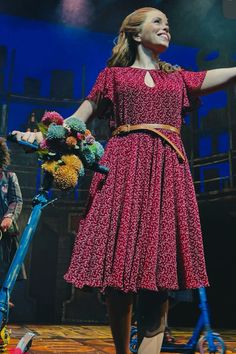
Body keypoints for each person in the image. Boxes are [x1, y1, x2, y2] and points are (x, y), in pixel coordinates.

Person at [14, 7, 236, 354]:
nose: (167, 27)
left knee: (159, 278)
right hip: (123, 170)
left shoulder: (177, 78)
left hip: (167, 174)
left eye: (168, 23)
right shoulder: (113, 76)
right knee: (120, 282)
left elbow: (224, 75)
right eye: (158, 22)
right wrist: (40, 136)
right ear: (135, 33)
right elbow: (77, 120)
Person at [0, 138, 25, 305]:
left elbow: (16, 200)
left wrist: (8, 216)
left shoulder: (9, 177)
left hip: (3, 234)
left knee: (3, 266)